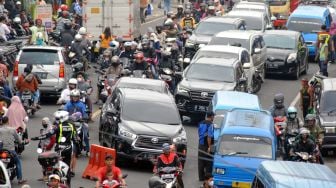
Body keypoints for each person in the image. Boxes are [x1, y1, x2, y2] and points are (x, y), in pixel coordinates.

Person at [31, 111, 77, 176]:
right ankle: (67, 182)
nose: (56, 120)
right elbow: (75, 138)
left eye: (57, 119)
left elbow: (48, 135)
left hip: (59, 148)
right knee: (67, 165)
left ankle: (52, 175)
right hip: (69, 148)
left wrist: (36, 138)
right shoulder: (72, 126)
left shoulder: (58, 127)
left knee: (54, 163)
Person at [0, 115, 27, 184]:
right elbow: (19, 140)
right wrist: (21, 142)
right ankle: (20, 179)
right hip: (11, 151)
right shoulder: (12, 129)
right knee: (18, 162)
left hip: (1, 151)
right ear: (8, 121)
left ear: (2, 122)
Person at [198, 112, 214, 181]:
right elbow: (209, 137)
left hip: (200, 145)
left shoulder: (200, 123)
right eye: (214, 116)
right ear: (211, 116)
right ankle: (208, 177)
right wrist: (209, 146)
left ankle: (201, 177)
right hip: (207, 145)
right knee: (209, 162)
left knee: (201, 161)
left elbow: (199, 133)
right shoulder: (210, 124)